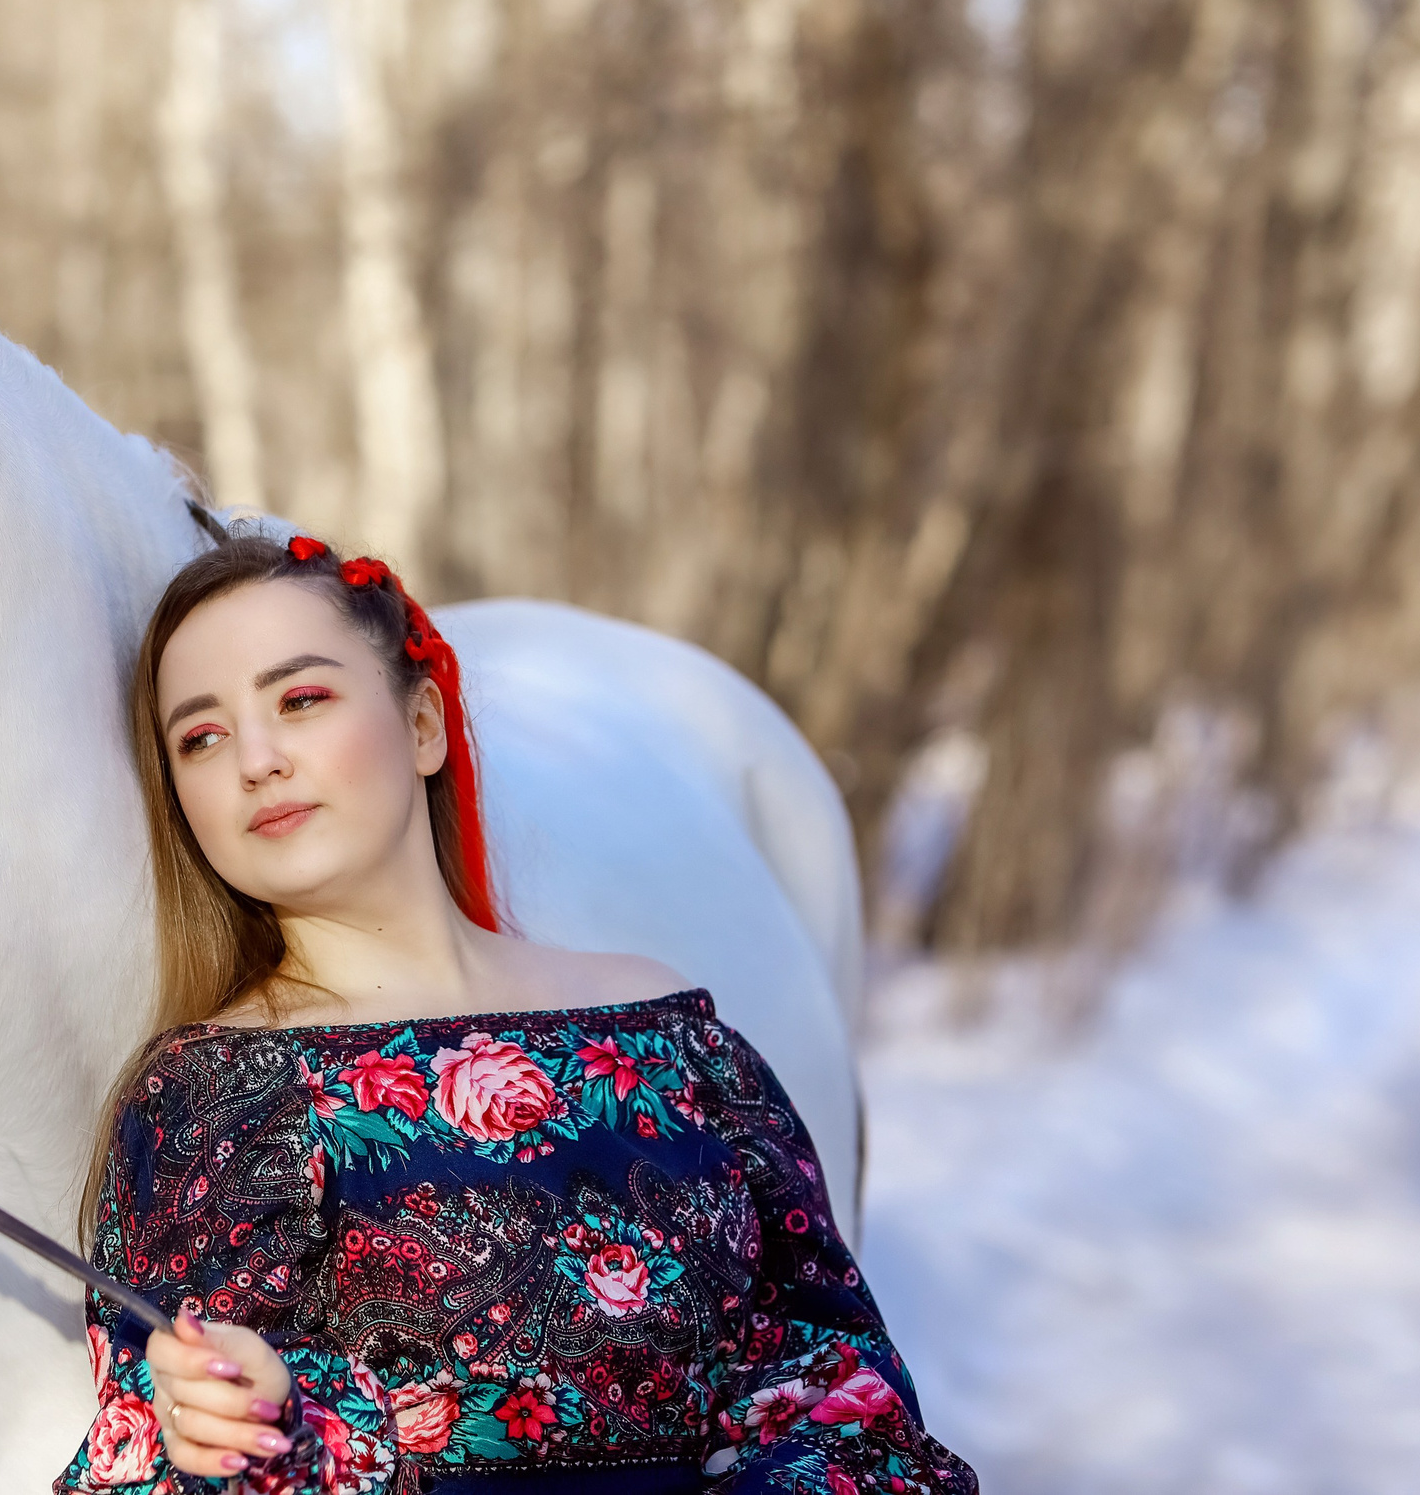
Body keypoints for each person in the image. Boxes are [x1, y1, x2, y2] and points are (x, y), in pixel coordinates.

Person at [55, 531, 976, 1495]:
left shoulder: (671, 1040)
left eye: (301, 699)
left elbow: (839, 1392)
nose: (255, 759)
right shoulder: (207, 1107)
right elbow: (154, 1455)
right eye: (200, 738)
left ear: (423, 724)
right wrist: (267, 1443)